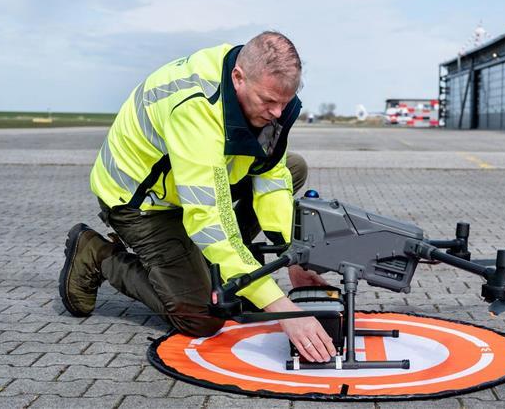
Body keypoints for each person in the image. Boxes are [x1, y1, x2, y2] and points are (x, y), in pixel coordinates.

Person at [59, 32, 337, 363]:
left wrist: (291, 257)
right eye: (268, 101)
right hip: (142, 201)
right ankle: (99, 254)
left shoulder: (261, 96)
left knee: (292, 167)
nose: (277, 112)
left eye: (285, 102)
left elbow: (271, 179)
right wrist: (282, 308)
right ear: (238, 78)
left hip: (191, 185)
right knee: (203, 317)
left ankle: (218, 264)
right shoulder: (195, 108)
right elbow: (207, 218)